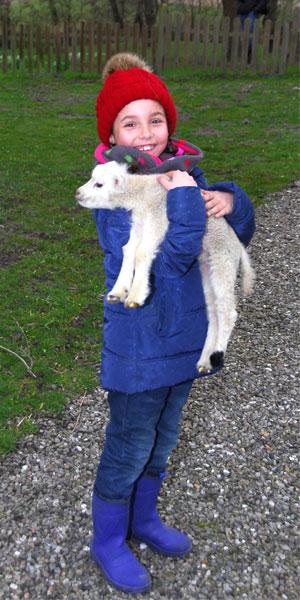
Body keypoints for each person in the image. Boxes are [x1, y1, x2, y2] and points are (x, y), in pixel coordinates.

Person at [90, 52, 255, 594]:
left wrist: (228, 200)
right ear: (112, 133)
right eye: (130, 123)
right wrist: (183, 198)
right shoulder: (113, 192)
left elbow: (228, 231)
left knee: (162, 441)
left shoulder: (180, 171)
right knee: (129, 444)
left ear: (169, 125)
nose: (145, 134)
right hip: (139, 353)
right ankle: (109, 538)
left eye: (155, 120)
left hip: (184, 344)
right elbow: (171, 257)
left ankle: (144, 519)